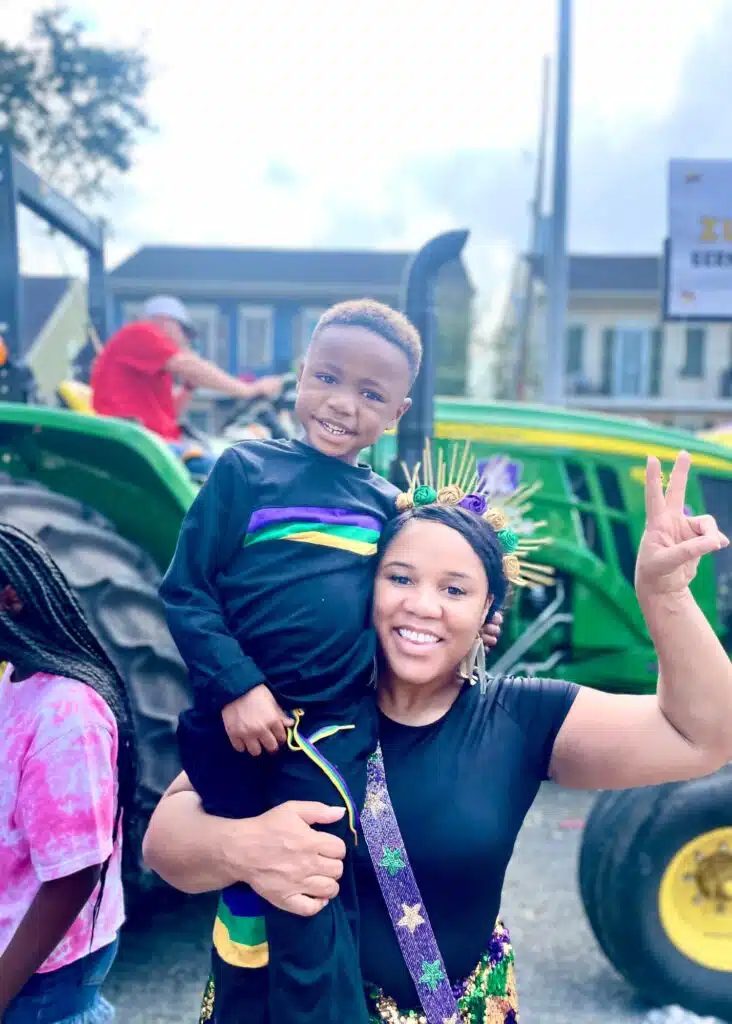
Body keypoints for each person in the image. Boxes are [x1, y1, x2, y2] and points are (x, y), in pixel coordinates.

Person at [144, 450, 732, 1023]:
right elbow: (164, 843)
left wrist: (667, 596)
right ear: (364, 587)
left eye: (455, 590)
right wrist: (243, 849)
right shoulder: (293, 701)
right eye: (399, 578)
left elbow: (702, 737)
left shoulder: (518, 717)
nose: (422, 606)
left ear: (488, 612)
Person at [159, 298, 433, 1024]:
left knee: (309, 896)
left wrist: (478, 620)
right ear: (300, 374)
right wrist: (239, 687)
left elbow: (414, 601)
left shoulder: (387, 508)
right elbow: (186, 591)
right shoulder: (245, 473)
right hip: (240, 727)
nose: (343, 404)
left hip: (332, 735)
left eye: (371, 394)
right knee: (247, 908)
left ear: (398, 410)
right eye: (328, 378)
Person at [0, 525, 137, 1023]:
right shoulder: (15, 677)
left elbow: (75, 875)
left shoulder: (66, 716)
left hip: (38, 981)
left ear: (11, 599)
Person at [90, 295, 283, 476]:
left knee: (235, 460)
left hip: (158, 441)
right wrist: (248, 390)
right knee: (244, 473)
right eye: (186, 332)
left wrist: (188, 388)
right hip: (145, 444)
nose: (187, 340)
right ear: (166, 320)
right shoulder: (141, 332)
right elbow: (189, 365)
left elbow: (170, 413)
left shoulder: (153, 365)